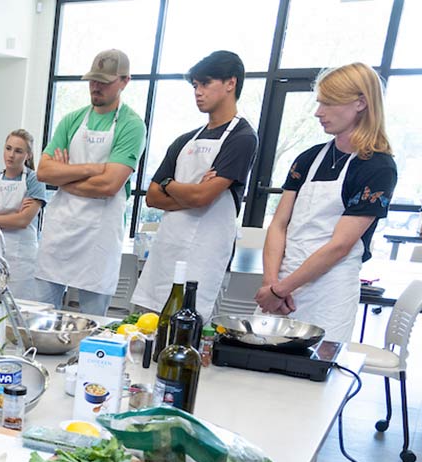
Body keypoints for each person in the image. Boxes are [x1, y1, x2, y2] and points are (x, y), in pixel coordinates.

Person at [258, 63, 396, 342]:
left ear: (361, 103)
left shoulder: (377, 167)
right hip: (282, 284)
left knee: (313, 375)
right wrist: (271, 283)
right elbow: (279, 225)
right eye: (319, 102)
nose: (318, 112)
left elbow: (340, 246)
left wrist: (281, 290)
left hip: (328, 293)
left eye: (329, 103)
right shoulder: (309, 158)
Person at [131, 51, 258, 319]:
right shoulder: (184, 140)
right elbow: (152, 197)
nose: (198, 92)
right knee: (146, 326)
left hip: (205, 255)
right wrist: (187, 190)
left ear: (230, 83)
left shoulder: (243, 138)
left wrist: (172, 185)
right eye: (195, 86)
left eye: (205, 84)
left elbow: (202, 197)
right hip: (168, 249)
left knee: (190, 328)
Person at [33, 49, 147, 315]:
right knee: (39, 316)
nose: (96, 87)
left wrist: (67, 175)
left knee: (92, 325)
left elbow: (109, 185)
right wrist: (92, 168)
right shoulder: (72, 119)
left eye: (104, 82)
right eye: (93, 80)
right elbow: (44, 172)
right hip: (60, 233)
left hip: (99, 238)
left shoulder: (131, 125)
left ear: (124, 81)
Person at [0, 129, 48, 298]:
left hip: (21, 260)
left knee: (17, 310)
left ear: (28, 155)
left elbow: (23, 221)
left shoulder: (34, 180)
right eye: (8, 148)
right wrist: (14, 215)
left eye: (18, 151)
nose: (11, 155)